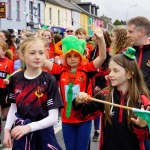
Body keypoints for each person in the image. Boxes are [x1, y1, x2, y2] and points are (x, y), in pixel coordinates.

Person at [73, 47, 150, 150]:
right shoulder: (104, 95)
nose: (110, 75)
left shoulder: (142, 100)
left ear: (129, 74)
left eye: (115, 71)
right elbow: (82, 115)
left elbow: (144, 137)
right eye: (110, 71)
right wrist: (78, 102)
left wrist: (141, 126)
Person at [44, 25, 106, 150]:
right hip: (67, 120)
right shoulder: (60, 71)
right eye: (69, 56)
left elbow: (102, 57)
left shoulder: (87, 69)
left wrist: (101, 40)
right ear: (65, 57)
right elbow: (43, 61)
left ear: (81, 57)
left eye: (76, 56)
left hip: (84, 118)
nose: (72, 59)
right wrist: (42, 42)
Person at [3, 37, 64, 150]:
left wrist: (29, 127)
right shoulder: (15, 79)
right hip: (22, 133)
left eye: (41, 53)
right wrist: (7, 130)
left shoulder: (49, 80)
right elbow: (13, 108)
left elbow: (53, 118)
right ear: (22, 55)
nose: (37, 57)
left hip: (44, 134)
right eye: (32, 53)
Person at [127, 16, 150, 150]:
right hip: (127, 110)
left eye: (130, 32)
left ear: (141, 32)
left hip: (146, 112)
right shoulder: (127, 53)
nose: (128, 35)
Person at [89, 29, 111, 142]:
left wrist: (100, 84)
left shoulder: (107, 51)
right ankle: (97, 130)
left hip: (102, 83)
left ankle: (100, 131)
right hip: (93, 81)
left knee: (101, 106)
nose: (92, 39)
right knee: (93, 105)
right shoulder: (93, 50)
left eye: (95, 36)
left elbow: (108, 70)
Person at [0, 41, 14, 139]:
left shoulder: (9, 62)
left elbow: (11, 77)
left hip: (4, 91)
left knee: (6, 115)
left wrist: (8, 83)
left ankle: (12, 132)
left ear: (4, 51)